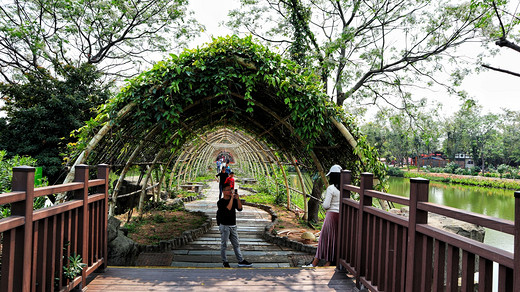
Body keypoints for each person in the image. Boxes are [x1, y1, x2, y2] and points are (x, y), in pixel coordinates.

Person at [303, 164, 342, 267]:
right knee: (334, 240)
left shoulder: (331, 188)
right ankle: (329, 263)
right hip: (341, 217)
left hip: (331, 216)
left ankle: (314, 263)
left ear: (332, 176)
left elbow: (326, 205)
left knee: (324, 239)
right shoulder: (345, 189)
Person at [216, 183, 252, 268]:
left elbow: (240, 208)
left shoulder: (234, 200)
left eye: (231, 190)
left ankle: (241, 260)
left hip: (233, 225)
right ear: (224, 191)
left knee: (236, 244)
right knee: (224, 245)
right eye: (228, 190)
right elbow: (227, 209)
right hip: (225, 226)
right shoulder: (220, 202)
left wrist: (237, 199)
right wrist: (232, 198)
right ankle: (225, 261)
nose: (230, 191)